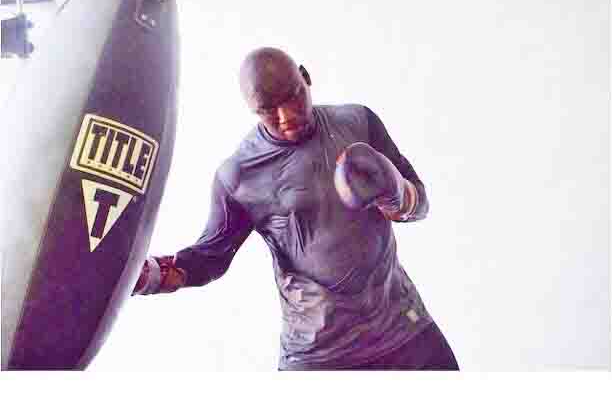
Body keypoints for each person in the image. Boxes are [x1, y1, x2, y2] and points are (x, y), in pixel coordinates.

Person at [132, 47, 459, 371]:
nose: (286, 117)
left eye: (292, 96)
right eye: (268, 110)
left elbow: (419, 203)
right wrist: (150, 276)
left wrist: (397, 194)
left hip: (403, 328)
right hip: (321, 354)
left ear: (305, 78)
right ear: (252, 110)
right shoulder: (240, 176)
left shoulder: (359, 122)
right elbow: (211, 257)